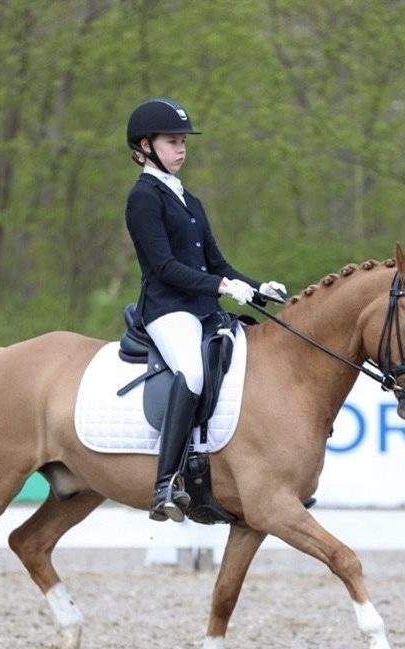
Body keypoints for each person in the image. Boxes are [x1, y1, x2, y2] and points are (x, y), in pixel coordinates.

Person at [124, 97, 287, 522]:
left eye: (183, 142)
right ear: (145, 145)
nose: (181, 149)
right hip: (167, 310)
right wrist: (222, 287)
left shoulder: (189, 200)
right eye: (172, 142)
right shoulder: (143, 198)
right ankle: (165, 485)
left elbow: (217, 263)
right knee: (192, 373)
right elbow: (164, 266)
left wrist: (258, 288)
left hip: (203, 309)